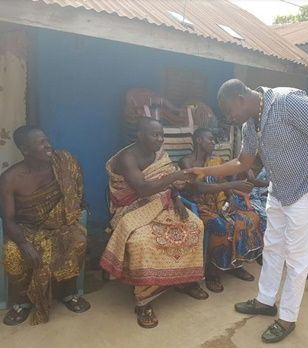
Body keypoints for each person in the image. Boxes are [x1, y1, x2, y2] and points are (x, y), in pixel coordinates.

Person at [187, 79, 308, 343]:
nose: (228, 118)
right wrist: (204, 171)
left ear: (241, 98)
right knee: (272, 248)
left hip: (305, 191)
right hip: (278, 192)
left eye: (229, 110)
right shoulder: (250, 124)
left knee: (297, 260)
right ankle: (266, 301)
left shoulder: (288, 101)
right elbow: (242, 161)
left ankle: (287, 318)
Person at [100, 118, 206, 329]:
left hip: (162, 201)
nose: (159, 139)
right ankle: (143, 302)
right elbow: (143, 190)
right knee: (142, 241)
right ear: (140, 135)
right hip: (132, 209)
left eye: (161, 135)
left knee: (195, 226)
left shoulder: (159, 155)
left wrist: (175, 198)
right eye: (154, 135)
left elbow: (167, 183)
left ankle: (184, 281)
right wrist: (175, 176)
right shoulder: (127, 158)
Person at [1, 126, 90, 325]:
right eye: (41, 143)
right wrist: (25, 245)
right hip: (27, 230)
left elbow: (76, 195)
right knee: (12, 253)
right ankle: (23, 301)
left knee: (78, 241)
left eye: (47, 140)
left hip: (60, 226)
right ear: (25, 150)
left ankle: (68, 293)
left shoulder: (64, 163)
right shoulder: (10, 178)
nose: (48, 145)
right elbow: (8, 219)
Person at [179, 128, 263, 293]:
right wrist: (232, 185)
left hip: (219, 203)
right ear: (198, 140)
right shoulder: (186, 162)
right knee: (220, 226)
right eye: (209, 139)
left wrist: (231, 197)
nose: (213, 143)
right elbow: (197, 187)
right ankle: (212, 271)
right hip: (198, 206)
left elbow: (222, 181)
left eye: (214, 140)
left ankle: (235, 264)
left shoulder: (216, 161)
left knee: (249, 219)